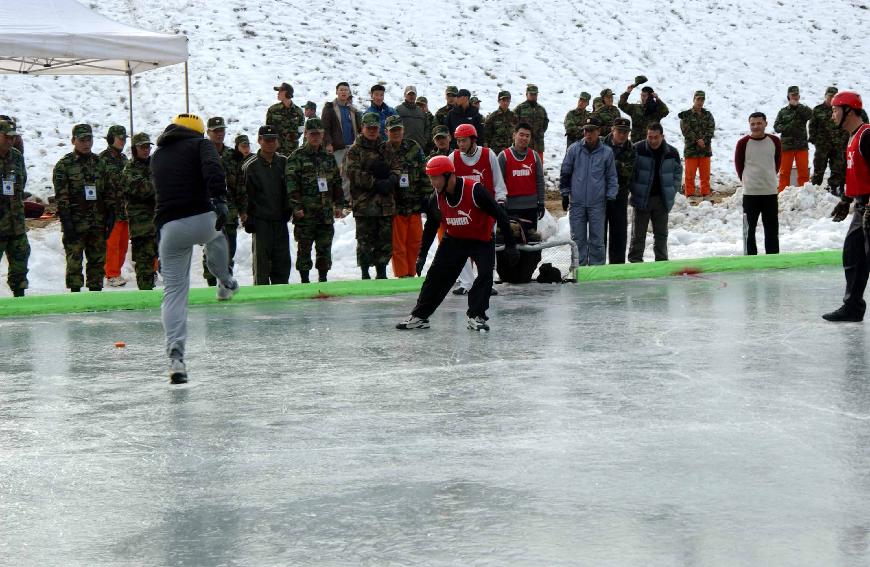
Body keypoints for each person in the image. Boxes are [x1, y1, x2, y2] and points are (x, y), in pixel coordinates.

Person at [151, 113, 238, 383]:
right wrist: (220, 199)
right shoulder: (201, 145)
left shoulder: (157, 156)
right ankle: (225, 281)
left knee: (174, 292)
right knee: (216, 238)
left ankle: (176, 357)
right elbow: (213, 168)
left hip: (170, 227)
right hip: (201, 216)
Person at [397, 156, 518, 332]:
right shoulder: (436, 198)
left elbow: (500, 215)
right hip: (454, 240)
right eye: (430, 178)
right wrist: (422, 255)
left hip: (481, 239)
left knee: (485, 275)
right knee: (436, 276)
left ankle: (476, 316)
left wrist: (511, 245)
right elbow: (431, 227)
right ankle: (420, 316)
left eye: (436, 177)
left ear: (448, 175)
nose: (433, 183)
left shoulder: (474, 190)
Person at [823, 91, 870, 322]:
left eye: (835, 109)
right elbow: (859, 174)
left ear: (848, 111)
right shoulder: (852, 137)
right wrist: (847, 199)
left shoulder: (867, 136)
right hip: (861, 207)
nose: (832, 114)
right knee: (853, 254)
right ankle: (852, 307)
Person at [53, 124, 115, 292]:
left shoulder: (99, 163)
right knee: (74, 265)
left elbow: (109, 191)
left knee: (97, 264)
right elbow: (62, 197)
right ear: (73, 141)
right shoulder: (64, 165)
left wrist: (111, 214)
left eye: (89, 140)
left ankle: (95, 297)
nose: (86, 144)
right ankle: (75, 298)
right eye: (82, 140)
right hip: (75, 224)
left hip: (97, 224)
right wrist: (67, 222)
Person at [449, 123, 507, 294]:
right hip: (464, 213)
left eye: (464, 140)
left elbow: (498, 182)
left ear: (473, 139)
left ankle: (487, 283)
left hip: (486, 211)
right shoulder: (453, 158)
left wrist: (500, 201)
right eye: (458, 141)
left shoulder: (489, 155)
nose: (460, 144)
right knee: (461, 248)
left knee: (487, 248)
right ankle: (466, 283)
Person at [345, 112, 401, 279]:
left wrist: (391, 180)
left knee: (384, 241)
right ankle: (365, 273)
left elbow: (397, 167)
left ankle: (382, 272)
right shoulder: (355, 150)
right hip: (364, 204)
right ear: (362, 128)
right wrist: (374, 182)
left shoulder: (386, 147)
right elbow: (353, 173)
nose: (372, 131)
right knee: (365, 241)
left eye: (375, 128)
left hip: (385, 203)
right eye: (369, 128)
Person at [287, 117, 344, 283]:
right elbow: (291, 185)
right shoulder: (296, 157)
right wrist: (296, 207)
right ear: (305, 134)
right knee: (304, 249)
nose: (316, 137)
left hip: (325, 214)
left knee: (324, 249)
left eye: (318, 134)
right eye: (312, 134)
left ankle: (323, 278)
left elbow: (336, 183)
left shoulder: (328, 158)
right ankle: (305, 281)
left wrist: (339, 204)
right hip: (306, 215)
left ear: (323, 134)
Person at [559, 117, 618, 266]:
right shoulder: (574, 149)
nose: (588, 133)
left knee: (597, 239)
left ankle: (597, 269)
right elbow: (565, 172)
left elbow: (611, 177)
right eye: (586, 130)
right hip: (577, 203)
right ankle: (579, 268)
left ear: (598, 131)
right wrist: (565, 194)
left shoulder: (607, 152)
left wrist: (611, 197)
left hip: (597, 203)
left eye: (591, 130)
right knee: (578, 239)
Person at [240, 125, 291, 285]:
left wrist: (289, 210)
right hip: (261, 221)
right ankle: (262, 302)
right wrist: (247, 217)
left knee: (282, 263)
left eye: (273, 140)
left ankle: (281, 294)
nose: (270, 143)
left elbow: (291, 189)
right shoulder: (250, 166)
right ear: (259, 141)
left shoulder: (284, 162)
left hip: (280, 220)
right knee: (261, 264)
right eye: (266, 140)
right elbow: (244, 194)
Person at [384, 115, 432, 278]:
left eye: (398, 129)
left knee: (415, 242)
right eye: (392, 131)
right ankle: (402, 275)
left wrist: (427, 196)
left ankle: (413, 272)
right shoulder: (383, 150)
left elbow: (424, 172)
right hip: (395, 206)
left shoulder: (414, 147)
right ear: (387, 132)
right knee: (398, 245)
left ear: (403, 130)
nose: (396, 133)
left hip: (415, 204)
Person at [627, 123, 682, 262]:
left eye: (655, 137)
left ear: (662, 136)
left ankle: (662, 261)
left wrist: (672, 190)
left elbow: (677, 173)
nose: (652, 140)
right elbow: (629, 172)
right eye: (649, 137)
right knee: (638, 235)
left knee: (661, 235)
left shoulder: (672, 152)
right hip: (642, 199)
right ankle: (635, 262)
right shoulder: (638, 149)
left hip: (661, 200)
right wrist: (635, 189)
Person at [202, 116, 243, 286]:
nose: (219, 134)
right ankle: (211, 284)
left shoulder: (232, 155)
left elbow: (240, 185)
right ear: (208, 132)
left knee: (229, 249)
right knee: (211, 250)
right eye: (215, 131)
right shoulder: (201, 153)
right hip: (209, 211)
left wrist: (244, 209)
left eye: (222, 131)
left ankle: (225, 283)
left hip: (230, 210)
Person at [735, 112, 782, 255]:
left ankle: (773, 258)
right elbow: (739, 165)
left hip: (770, 192)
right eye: (752, 124)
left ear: (765, 124)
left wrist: (769, 176)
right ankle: (750, 258)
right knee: (749, 230)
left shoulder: (774, 141)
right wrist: (747, 180)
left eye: (759, 123)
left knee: (772, 229)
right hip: (751, 193)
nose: (755, 126)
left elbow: (777, 162)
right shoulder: (743, 143)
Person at [121, 132, 159, 289]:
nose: (145, 150)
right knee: (144, 265)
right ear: (134, 149)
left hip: (159, 223)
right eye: (142, 147)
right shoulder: (129, 170)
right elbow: (145, 189)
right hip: (142, 227)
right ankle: (146, 296)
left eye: (147, 147)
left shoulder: (155, 165)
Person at [0, 119, 29, 296]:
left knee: (20, 263)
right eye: (6, 137)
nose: (10, 141)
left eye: (13, 138)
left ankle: (19, 296)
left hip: (16, 223)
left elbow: (21, 181)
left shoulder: (17, 156)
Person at [602, 117, 637, 264]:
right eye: (620, 131)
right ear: (612, 130)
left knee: (619, 233)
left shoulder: (631, 148)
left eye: (626, 132)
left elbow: (629, 172)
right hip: (601, 194)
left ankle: (617, 265)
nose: (623, 135)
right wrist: (618, 166)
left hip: (620, 194)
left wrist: (611, 164)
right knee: (598, 233)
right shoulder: (601, 144)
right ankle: (598, 264)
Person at [499, 122, 545, 229]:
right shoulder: (504, 156)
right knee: (512, 242)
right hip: (510, 208)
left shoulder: (534, 156)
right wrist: (499, 205)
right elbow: (498, 183)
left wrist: (541, 203)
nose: (524, 138)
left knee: (531, 242)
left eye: (527, 136)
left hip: (531, 207)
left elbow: (540, 181)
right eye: (521, 134)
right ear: (514, 135)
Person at [100, 125, 129, 287]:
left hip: (124, 209)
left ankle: (116, 270)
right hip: (110, 210)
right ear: (111, 138)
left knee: (123, 244)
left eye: (124, 138)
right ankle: (111, 273)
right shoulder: (102, 159)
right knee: (112, 245)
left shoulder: (124, 159)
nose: (122, 141)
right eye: (120, 138)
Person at [322, 81, 360, 203]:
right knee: (337, 175)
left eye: (346, 90)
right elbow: (325, 127)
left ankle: (347, 200)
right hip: (337, 147)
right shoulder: (329, 108)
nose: (343, 92)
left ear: (349, 93)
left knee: (349, 175)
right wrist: (328, 143)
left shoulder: (353, 110)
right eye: (341, 90)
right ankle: (337, 201)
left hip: (351, 147)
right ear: (337, 92)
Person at [809, 86, 849, 194]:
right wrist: (814, 139)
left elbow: (846, 126)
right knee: (819, 167)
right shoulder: (818, 109)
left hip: (838, 144)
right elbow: (812, 125)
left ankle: (833, 188)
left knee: (837, 168)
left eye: (834, 96)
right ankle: (814, 189)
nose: (831, 98)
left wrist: (844, 140)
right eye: (830, 96)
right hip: (822, 144)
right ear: (825, 96)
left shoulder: (841, 110)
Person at [773, 85, 813, 191]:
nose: (795, 97)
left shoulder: (803, 109)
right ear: (788, 96)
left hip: (801, 146)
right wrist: (786, 127)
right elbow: (776, 127)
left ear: (799, 96)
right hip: (787, 146)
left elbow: (811, 115)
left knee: (803, 172)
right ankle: (782, 194)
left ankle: (804, 193)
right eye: (792, 95)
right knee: (784, 172)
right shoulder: (783, 112)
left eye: (796, 95)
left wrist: (799, 106)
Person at [679, 90, 716, 197]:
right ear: (694, 99)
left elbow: (711, 129)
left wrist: (704, 140)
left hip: (705, 150)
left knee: (705, 176)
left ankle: (706, 195)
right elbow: (685, 130)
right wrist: (697, 140)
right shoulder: (686, 115)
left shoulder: (708, 115)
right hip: (691, 150)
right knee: (689, 176)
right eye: (698, 99)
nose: (700, 102)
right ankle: (690, 196)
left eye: (702, 99)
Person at [266, 82, 305, 155]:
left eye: (280, 91)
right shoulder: (272, 110)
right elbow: (268, 128)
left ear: (286, 93)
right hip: (276, 150)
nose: (278, 93)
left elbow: (301, 129)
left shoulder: (298, 112)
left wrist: (293, 138)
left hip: (292, 150)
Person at [513, 84, 549, 157]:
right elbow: (513, 123)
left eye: (535, 94)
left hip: (538, 145)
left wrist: (539, 132)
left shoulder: (541, 109)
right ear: (526, 94)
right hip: (523, 145)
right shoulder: (520, 108)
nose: (533, 96)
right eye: (531, 94)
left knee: (538, 166)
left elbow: (545, 123)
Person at [484, 90, 518, 157]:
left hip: (510, 150)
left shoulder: (514, 116)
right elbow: (486, 135)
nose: (505, 103)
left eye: (508, 101)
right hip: (496, 151)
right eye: (503, 100)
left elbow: (517, 132)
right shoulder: (493, 116)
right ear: (499, 101)